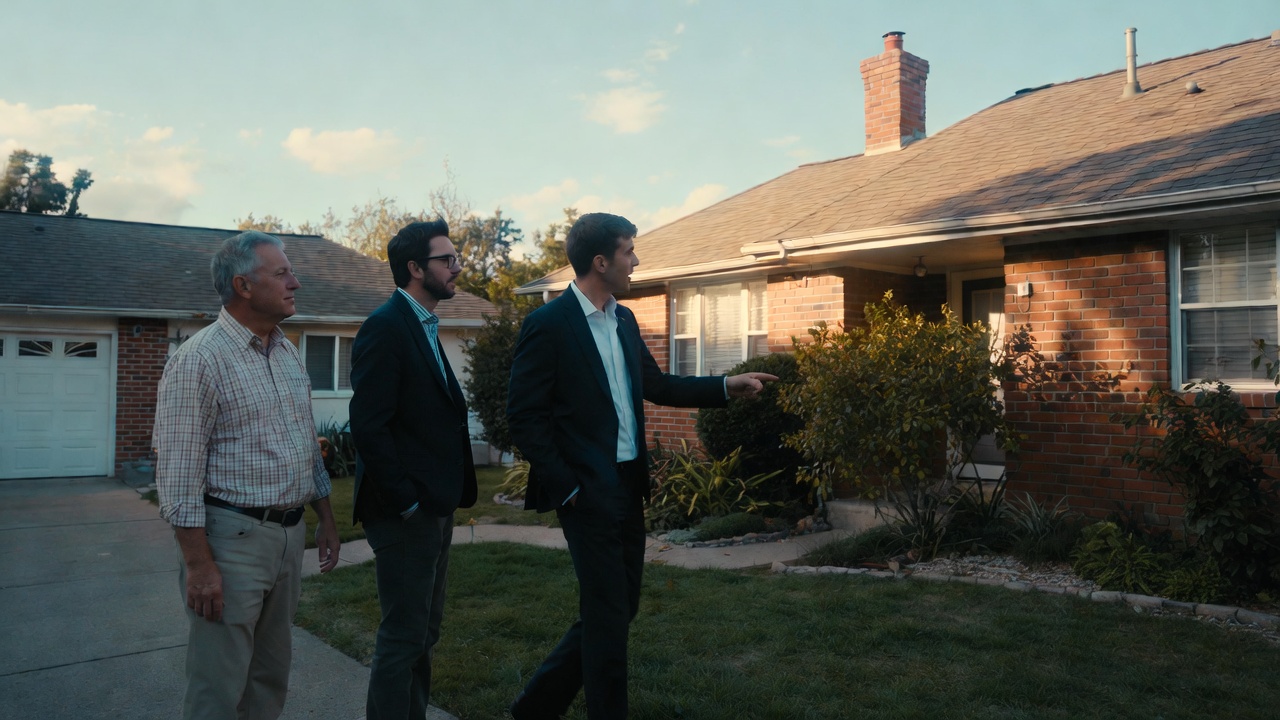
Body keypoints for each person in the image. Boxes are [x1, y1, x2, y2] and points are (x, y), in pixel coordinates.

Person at [506, 212, 776, 719]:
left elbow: (658, 386)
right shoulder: (547, 325)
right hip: (585, 490)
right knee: (608, 614)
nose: (636, 261)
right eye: (629, 251)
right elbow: (524, 419)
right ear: (601, 261)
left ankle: (536, 707)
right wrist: (566, 486)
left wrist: (725, 386)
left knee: (617, 607)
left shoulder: (624, 319)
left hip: (628, 484)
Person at [154, 230, 341, 720]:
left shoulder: (285, 350)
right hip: (232, 541)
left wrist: (324, 515)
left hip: (287, 535)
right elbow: (177, 476)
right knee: (218, 686)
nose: (295, 283)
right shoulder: (198, 361)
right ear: (242, 285)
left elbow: (304, 442)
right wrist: (199, 566)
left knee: (268, 678)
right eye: (281, 274)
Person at [349, 219, 479, 720]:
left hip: (434, 505)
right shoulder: (386, 326)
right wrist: (406, 501)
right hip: (406, 512)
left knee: (424, 633)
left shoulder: (424, 323)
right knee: (403, 637)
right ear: (414, 268)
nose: (456, 266)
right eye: (447, 259)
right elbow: (369, 426)